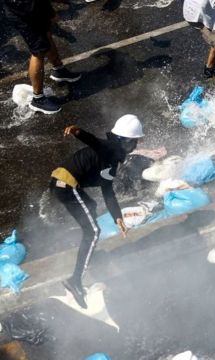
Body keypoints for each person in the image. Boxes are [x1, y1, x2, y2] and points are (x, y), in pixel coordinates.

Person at [50, 115, 143, 308]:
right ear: (126, 142)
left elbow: (107, 191)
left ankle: (88, 254)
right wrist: (78, 131)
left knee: (91, 208)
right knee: (93, 232)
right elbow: (94, 141)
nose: (135, 146)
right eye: (134, 142)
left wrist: (117, 217)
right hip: (65, 185)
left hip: (64, 184)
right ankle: (75, 281)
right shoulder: (110, 148)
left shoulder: (111, 162)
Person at [3, 0, 81, 114]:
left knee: (46, 35)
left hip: (30, 8)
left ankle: (59, 70)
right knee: (39, 52)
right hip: (26, 12)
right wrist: (50, 12)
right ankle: (38, 99)